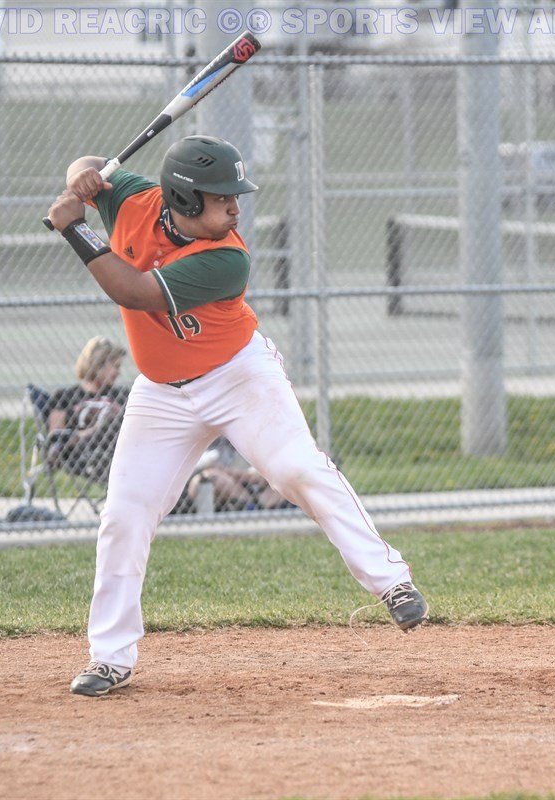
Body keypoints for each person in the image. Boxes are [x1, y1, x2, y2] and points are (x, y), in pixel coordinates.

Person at [46, 135, 428, 697]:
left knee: (297, 469)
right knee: (124, 515)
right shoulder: (130, 199)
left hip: (237, 376)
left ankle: (391, 581)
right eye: (222, 198)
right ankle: (110, 658)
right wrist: (82, 179)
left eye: (234, 197)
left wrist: (75, 229)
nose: (235, 207)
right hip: (162, 392)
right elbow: (89, 165)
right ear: (183, 197)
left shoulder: (229, 258)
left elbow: (133, 292)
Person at [43, 335, 131, 481]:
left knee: (117, 421)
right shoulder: (65, 396)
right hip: (82, 455)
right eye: (115, 366)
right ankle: (96, 447)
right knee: (110, 422)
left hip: (117, 450)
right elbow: (56, 436)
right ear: (98, 365)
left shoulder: (122, 395)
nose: (118, 372)